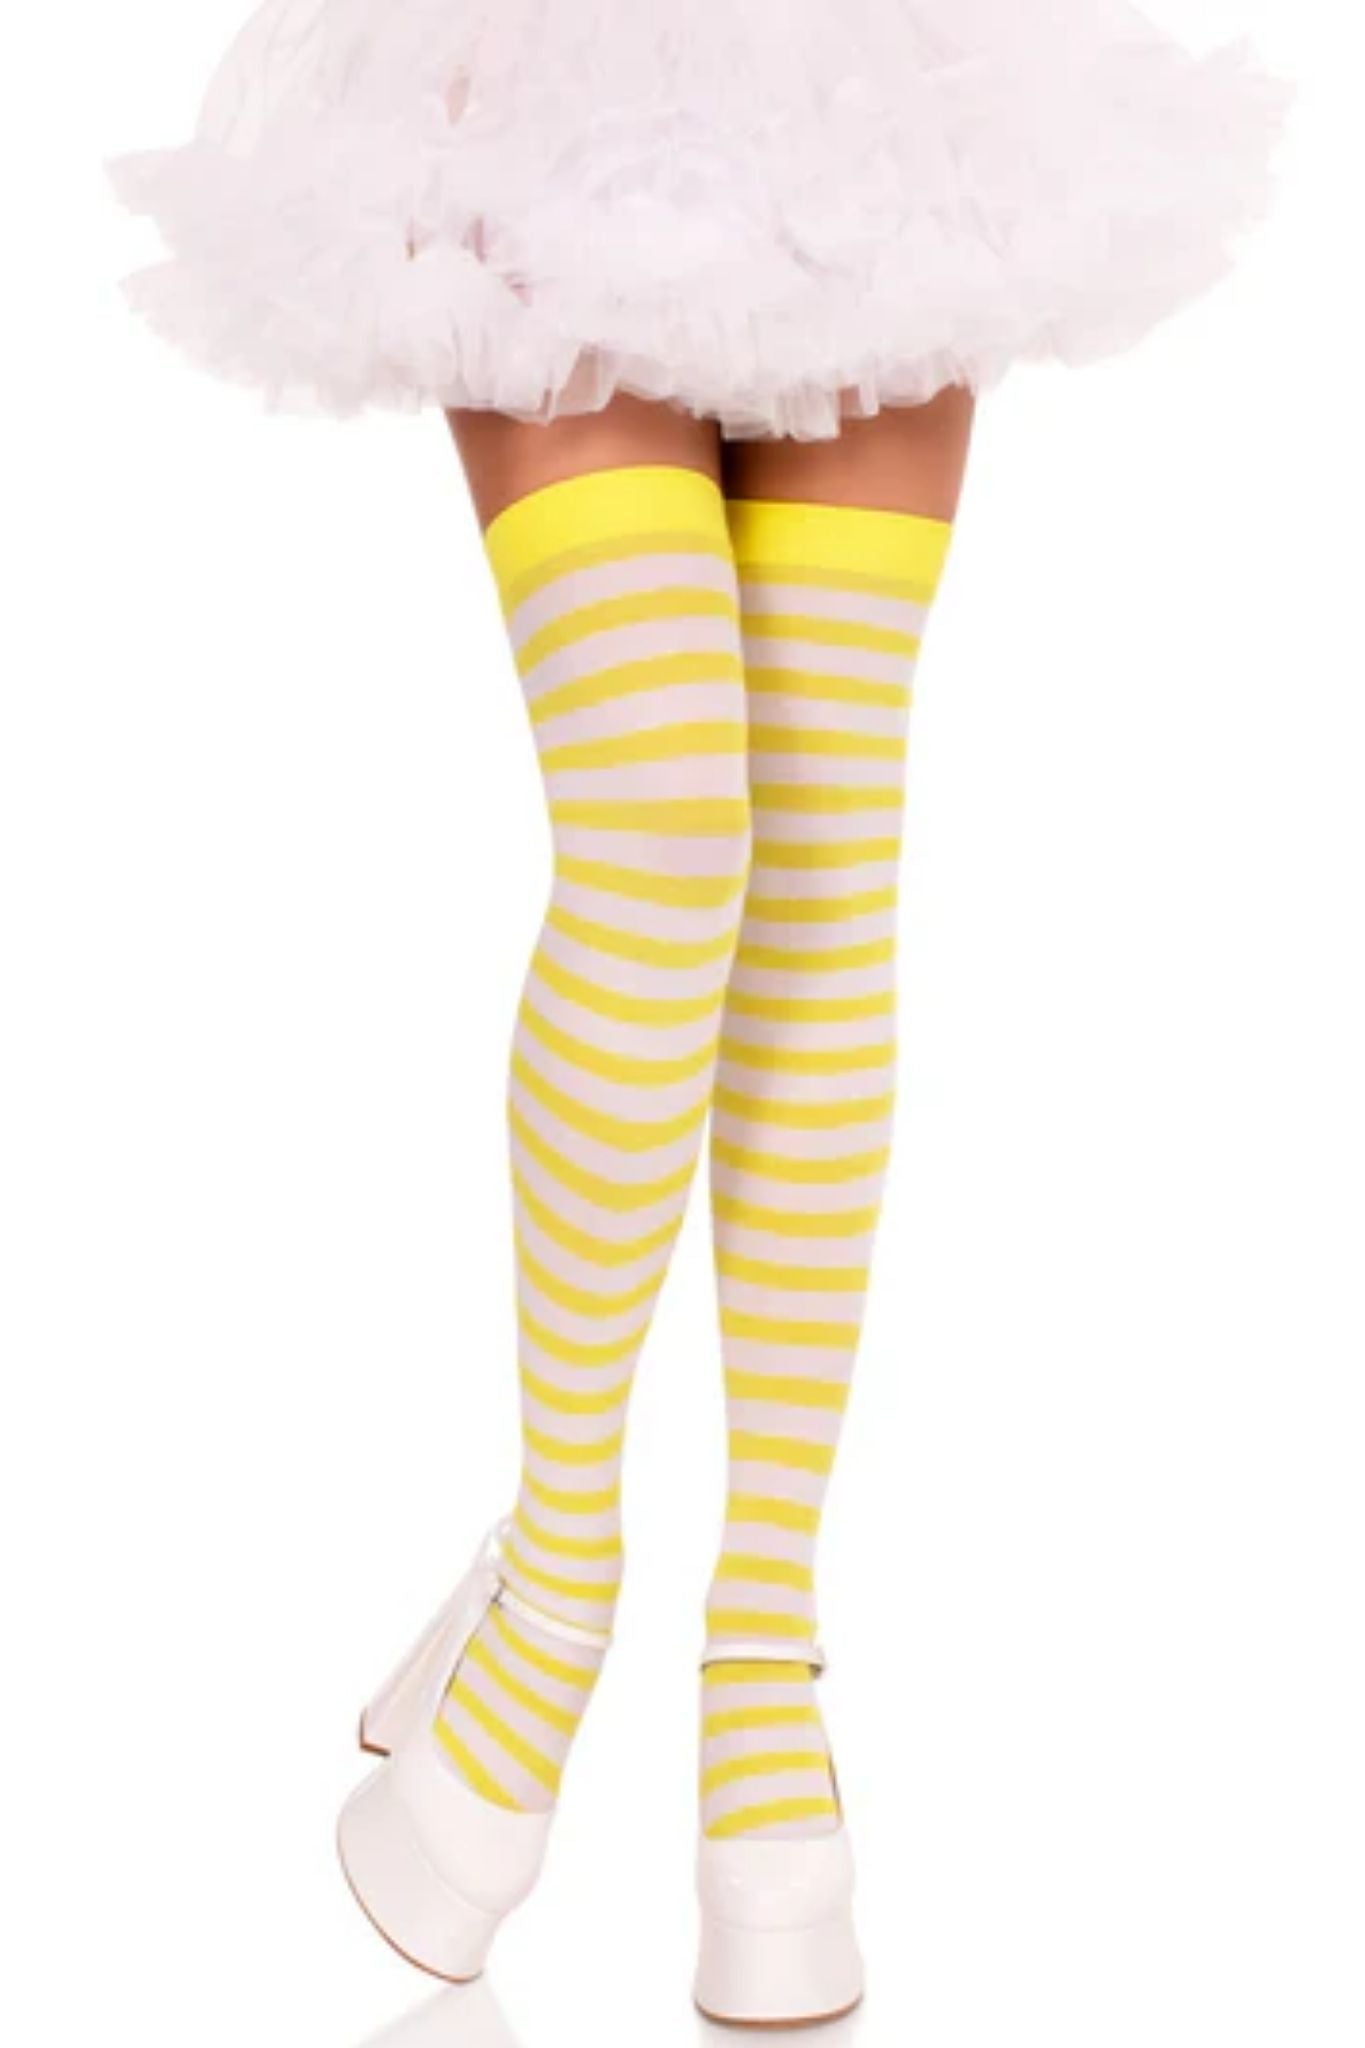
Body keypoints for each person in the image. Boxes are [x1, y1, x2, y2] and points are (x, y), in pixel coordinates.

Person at [113, 0, 1286, 2026]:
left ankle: (757, 1658)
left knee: (820, 836)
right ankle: (558, 1586)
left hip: (872, 71)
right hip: (545, 60)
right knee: (669, 817)